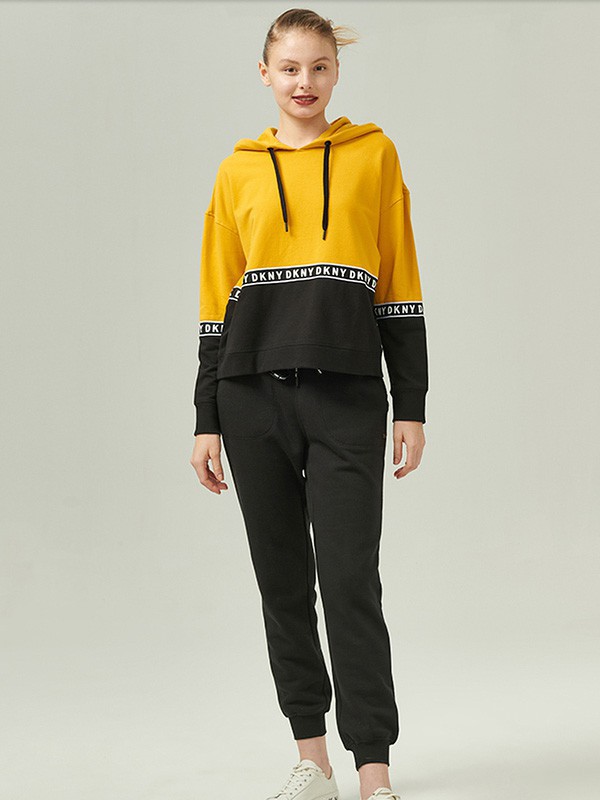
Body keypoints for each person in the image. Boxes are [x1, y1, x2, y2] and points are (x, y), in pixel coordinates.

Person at [190, 8, 428, 800]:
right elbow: (216, 300)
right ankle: (312, 759)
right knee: (283, 583)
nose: (304, 82)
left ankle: (373, 768)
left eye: (319, 67)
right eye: (290, 68)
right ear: (266, 74)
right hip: (251, 398)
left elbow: (399, 280)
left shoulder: (373, 156)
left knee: (351, 578)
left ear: (336, 72)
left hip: (348, 396)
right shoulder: (237, 172)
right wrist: (206, 417)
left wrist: (411, 401)